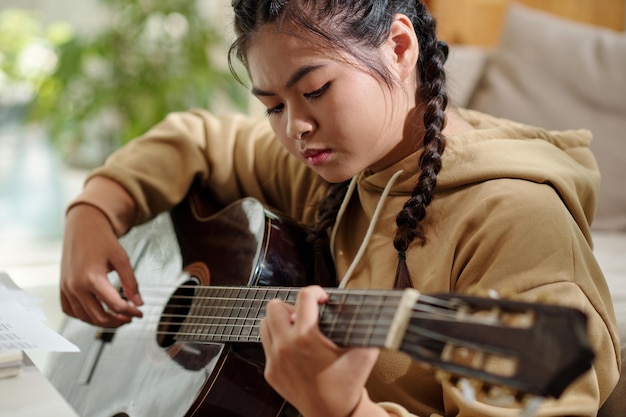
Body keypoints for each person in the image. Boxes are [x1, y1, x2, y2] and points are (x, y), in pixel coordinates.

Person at [59, 1, 620, 416]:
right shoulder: (339, 165)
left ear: (399, 49)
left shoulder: (516, 223)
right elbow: (197, 137)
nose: (295, 128)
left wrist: (346, 410)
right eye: (273, 105)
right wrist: (95, 211)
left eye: (317, 89)